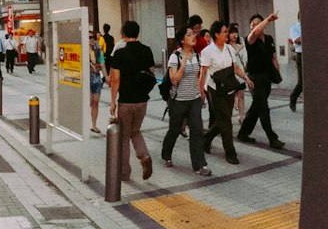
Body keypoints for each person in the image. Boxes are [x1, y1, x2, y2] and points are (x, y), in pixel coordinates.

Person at [107, 20, 155, 182]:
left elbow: (115, 80)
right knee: (135, 131)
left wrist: (113, 101)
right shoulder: (147, 50)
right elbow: (151, 74)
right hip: (142, 101)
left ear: (123, 34)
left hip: (126, 102)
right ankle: (144, 156)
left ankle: (124, 172)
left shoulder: (120, 54)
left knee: (124, 136)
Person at [159, 27, 210, 175]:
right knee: (174, 130)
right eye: (189, 35)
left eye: (193, 34)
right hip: (178, 100)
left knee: (197, 131)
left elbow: (198, 77)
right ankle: (166, 154)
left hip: (194, 99)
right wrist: (183, 64)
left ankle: (200, 165)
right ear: (182, 40)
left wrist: (201, 94)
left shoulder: (198, 56)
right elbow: (174, 80)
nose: (193, 36)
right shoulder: (175, 56)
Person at [200, 21, 250, 165]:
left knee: (223, 119)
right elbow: (202, 74)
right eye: (224, 32)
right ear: (216, 34)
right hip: (215, 90)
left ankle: (206, 139)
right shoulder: (207, 51)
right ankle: (230, 153)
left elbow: (235, 68)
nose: (227, 34)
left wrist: (246, 78)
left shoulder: (229, 49)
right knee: (226, 122)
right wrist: (201, 93)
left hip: (228, 87)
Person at [237, 12, 283, 148]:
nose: (255, 27)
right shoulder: (250, 39)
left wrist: (277, 73)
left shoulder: (269, 39)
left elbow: (273, 57)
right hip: (254, 77)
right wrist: (268, 19)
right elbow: (256, 33)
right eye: (252, 25)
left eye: (257, 24)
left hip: (267, 77)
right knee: (263, 108)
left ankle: (243, 133)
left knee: (256, 107)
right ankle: (272, 138)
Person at [227, 23, 247, 128]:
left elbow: (245, 58)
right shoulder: (226, 47)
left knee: (241, 95)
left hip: (240, 73)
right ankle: (228, 117)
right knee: (230, 97)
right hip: (230, 74)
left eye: (236, 33)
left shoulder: (241, 45)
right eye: (232, 33)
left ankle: (241, 116)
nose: (234, 35)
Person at [88, 28, 105, 133]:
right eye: (89, 37)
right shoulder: (81, 50)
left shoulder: (97, 49)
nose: (91, 40)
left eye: (92, 37)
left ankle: (94, 125)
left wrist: (106, 76)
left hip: (97, 77)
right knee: (89, 101)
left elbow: (102, 62)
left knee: (96, 101)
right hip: (86, 77)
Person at [288, 13, 302, 112]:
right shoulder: (295, 28)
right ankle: (293, 98)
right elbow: (297, 40)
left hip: (312, 55)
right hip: (301, 55)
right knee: (302, 82)